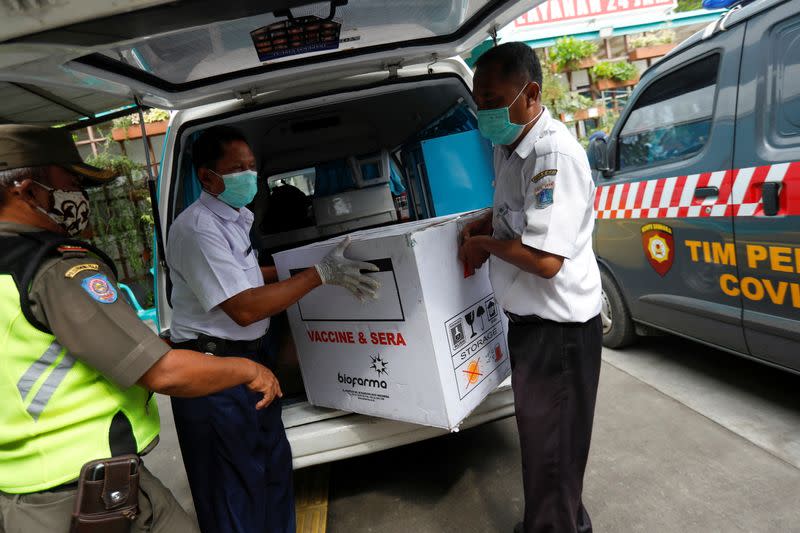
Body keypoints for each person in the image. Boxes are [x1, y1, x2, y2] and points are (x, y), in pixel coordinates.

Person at [0, 124, 286, 533]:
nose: (80, 196)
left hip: (24, 486)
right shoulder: (54, 269)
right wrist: (249, 370)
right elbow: (162, 371)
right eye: (72, 182)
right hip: (80, 489)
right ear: (27, 192)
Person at [166, 125, 380, 533]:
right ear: (207, 178)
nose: (248, 175)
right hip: (215, 371)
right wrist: (318, 274)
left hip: (252, 362)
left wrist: (297, 270)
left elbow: (247, 276)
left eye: (251, 166)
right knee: (234, 488)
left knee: (272, 469)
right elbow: (244, 308)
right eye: (237, 169)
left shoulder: (234, 218)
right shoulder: (197, 229)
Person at [458, 43, 603, 533]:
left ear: (531, 93)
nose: (484, 111)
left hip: (558, 333)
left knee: (552, 454)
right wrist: (484, 221)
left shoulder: (551, 153)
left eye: (493, 98)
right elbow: (515, 214)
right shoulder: (510, 146)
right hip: (532, 328)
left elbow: (545, 260)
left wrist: (484, 246)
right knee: (547, 450)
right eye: (478, 101)